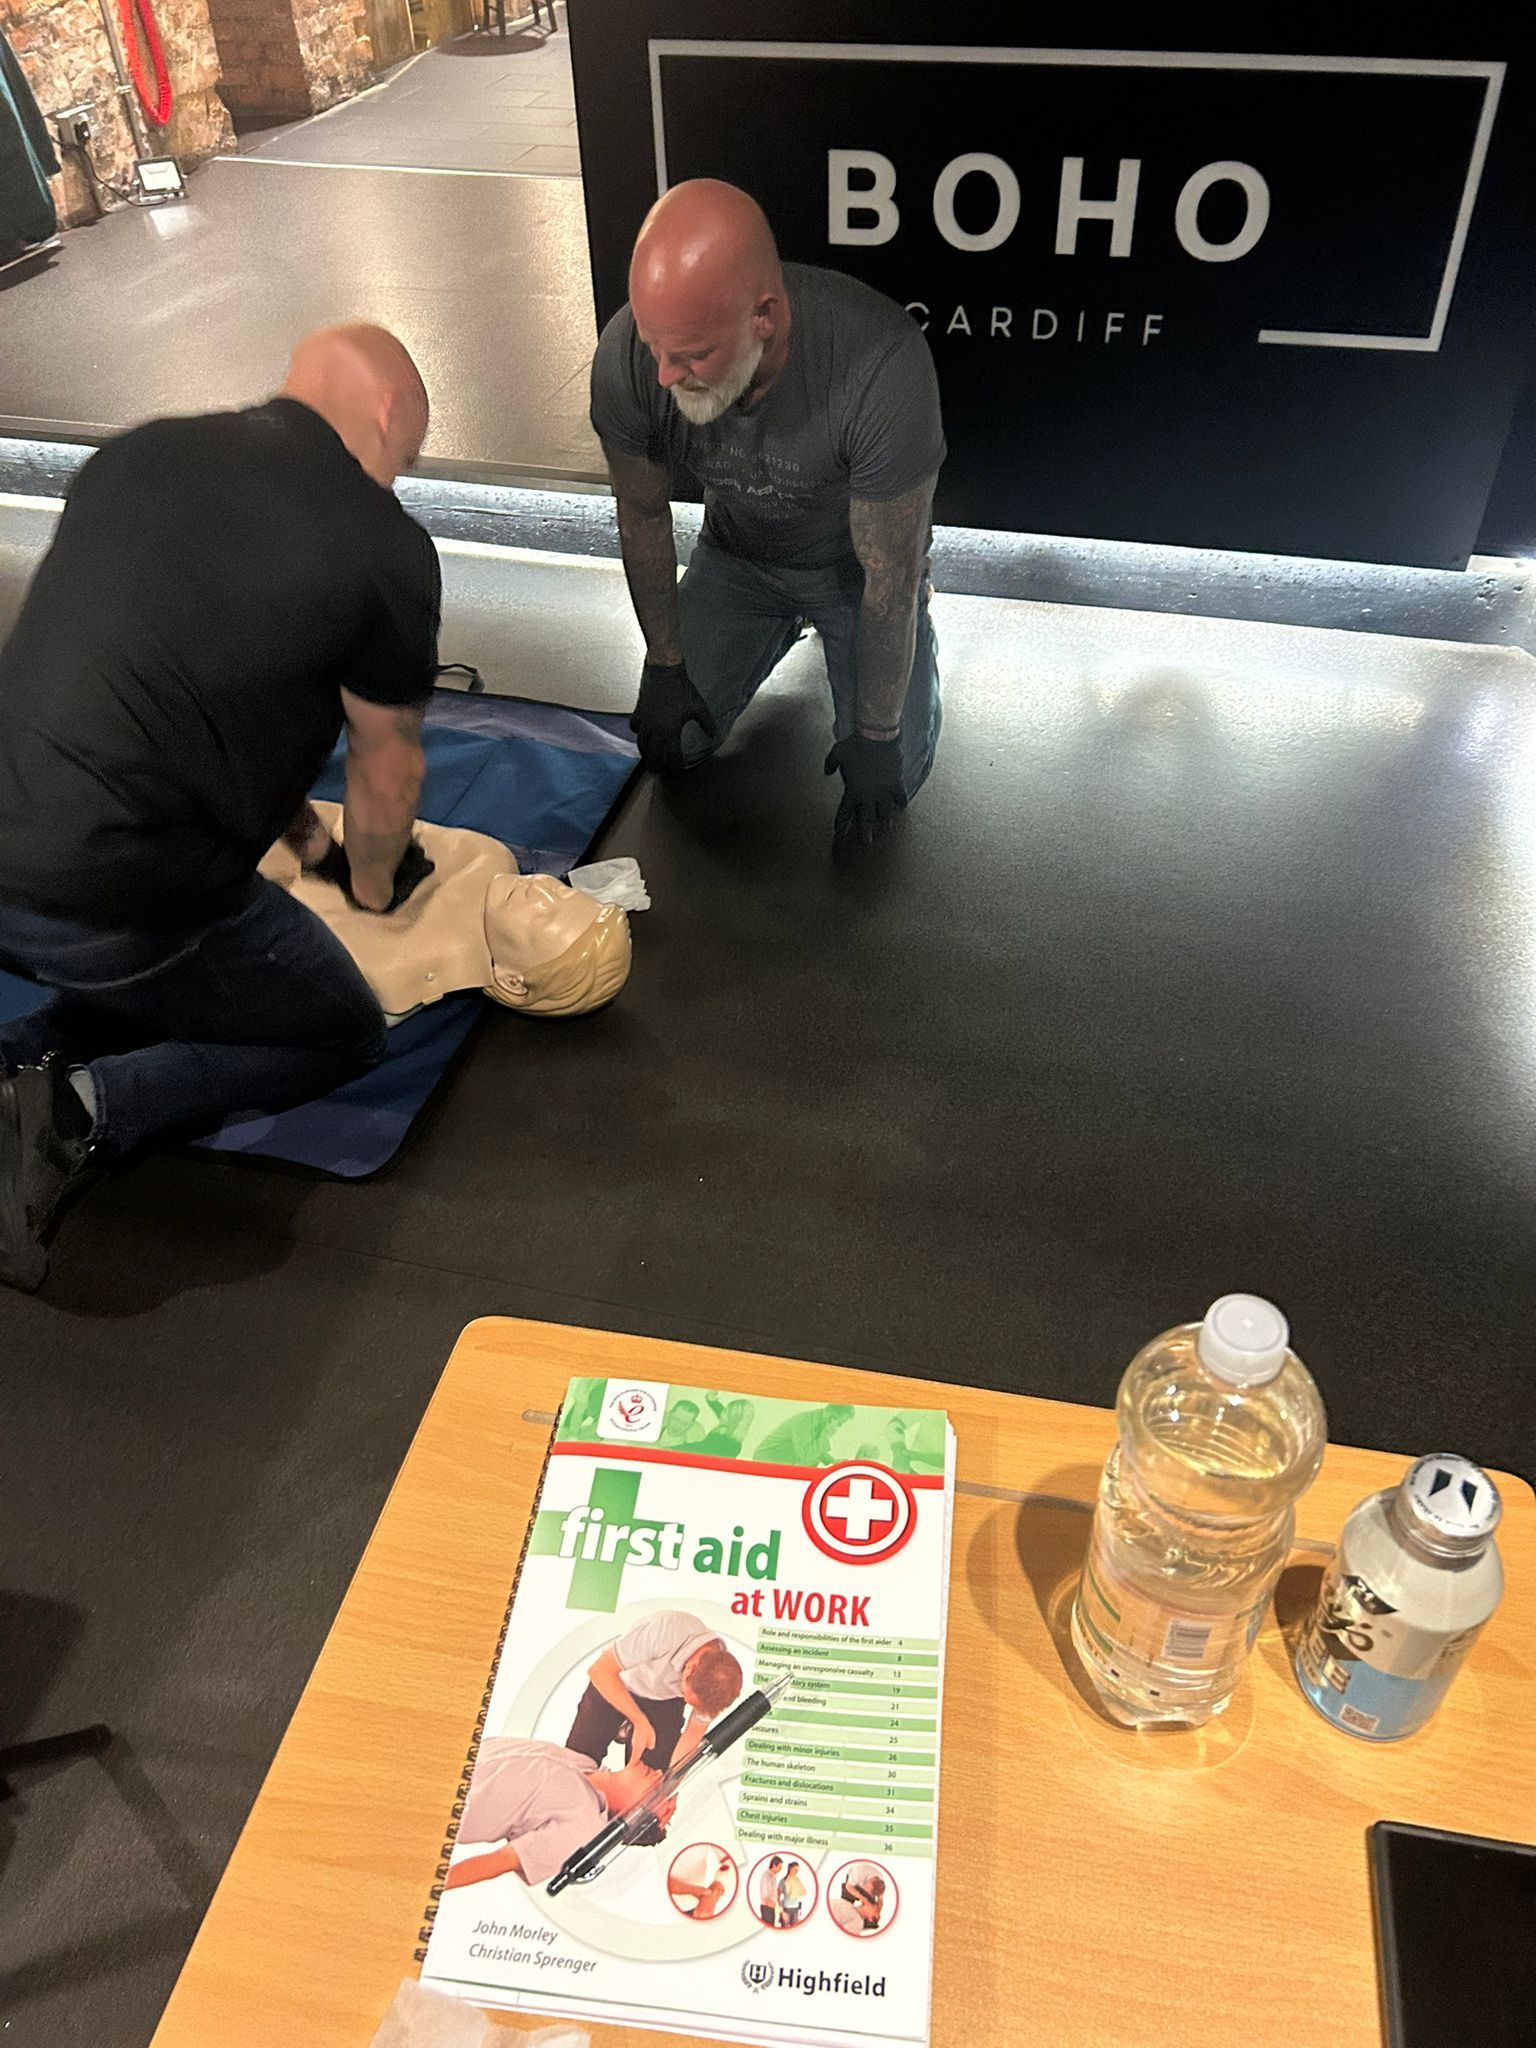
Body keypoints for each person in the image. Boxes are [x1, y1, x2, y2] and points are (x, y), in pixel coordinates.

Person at [0, 324, 440, 1291]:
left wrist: (311, 846)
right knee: (338, 1027)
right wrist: (371, 879)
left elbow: (195, 698)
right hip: (109, 896)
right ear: (384, 418)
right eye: (406, 455)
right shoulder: (383, 547)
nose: (400, 478)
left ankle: (20, 1054)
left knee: (129, 941)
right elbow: (384, 768)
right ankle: (76, 1109)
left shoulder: (139, 452)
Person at [590, 178, 945, 847]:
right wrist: (665, 664)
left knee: (892, 776)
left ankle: (893, 648)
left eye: (693, 354)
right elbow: (641, 514)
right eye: (655, 346)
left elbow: (886, 572)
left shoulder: (881, 364)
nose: (665, 375)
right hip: (737, 558)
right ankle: (772, 628)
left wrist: (876, 735)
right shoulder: (634, 357)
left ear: (765, 317)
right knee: (674, 746)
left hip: (851, 574)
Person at [443, 1736, 660, 1890]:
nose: (659, 1773)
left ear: (632, 1814)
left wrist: (428, 1885)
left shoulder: (584, 1828)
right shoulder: (583, 1763)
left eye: (659, 1790)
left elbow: (499, 1862)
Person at [565, 1608, 742, 1774]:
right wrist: (639, 1721)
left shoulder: (719, 1686)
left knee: (651, 1784)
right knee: (575, 1765)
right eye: (687, 1696)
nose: (687, 1703)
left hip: (664, 1702)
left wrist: (670, 1786)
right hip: (617, 1681)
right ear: (691, 1668)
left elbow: (693, 1733)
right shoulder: (665, 1629)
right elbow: (599, 1671)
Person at [753, 1403, 854, 1468]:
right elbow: (806, 1455)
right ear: (831, 1416)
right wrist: (826, 1435)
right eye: (839, 1423)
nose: (838, 1427)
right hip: (765, 1462)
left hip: (781, 1463)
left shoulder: (818, 1422)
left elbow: (813, 1448)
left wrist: (833, 1462)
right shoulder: (804, 1422)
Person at [757, 1853, 784, 1927]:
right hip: (767, 1908)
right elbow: (765, 1897)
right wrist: (777, 1908)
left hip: (771, 1908)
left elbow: (773, 1893)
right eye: (779, 1867)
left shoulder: (773, 1876)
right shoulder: (767, 1876)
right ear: (774, 1865)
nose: (780, 1869)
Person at [780, 1858, 808, 1925]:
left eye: (797, 1870)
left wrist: (794, 1891)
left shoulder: (797, 1879)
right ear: (790, 1868)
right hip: (786, 1908)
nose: (796, 1871)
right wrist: (781, 1911)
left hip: (796, 1907)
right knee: (785, 1928)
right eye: (795, 1869)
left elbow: (804, 1892)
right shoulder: (783, 1880)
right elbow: (788, 1895)